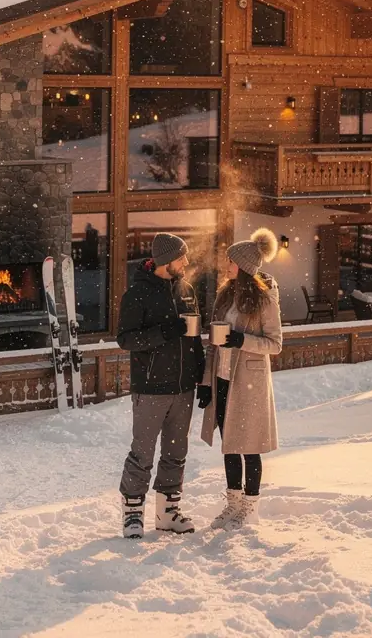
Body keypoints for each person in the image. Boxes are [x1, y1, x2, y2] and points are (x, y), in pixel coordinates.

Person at [116, 232, 206, 538]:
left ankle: (168, 513)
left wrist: (202, 379)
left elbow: (195, 341)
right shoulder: (137, 295)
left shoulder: (188, 291)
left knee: (175, 451)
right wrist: (166, 331)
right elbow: (126, 339)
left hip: (183, 387)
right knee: (142, 452)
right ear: (166, 260)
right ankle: (132, 514)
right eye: (181, 257)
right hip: (151, 387)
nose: (186, 262)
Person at [197, 228, 283, 528]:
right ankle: (233, 503)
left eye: (231, 261)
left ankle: (250, 506)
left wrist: (241, 340)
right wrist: (206, 384)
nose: (226, 265)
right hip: (222, 380)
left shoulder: (265, 299)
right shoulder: (224, 296)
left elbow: (275, 344)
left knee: (249, 446)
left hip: (249, 384)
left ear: (244, 266)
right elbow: (213, 343)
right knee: (229, 444)